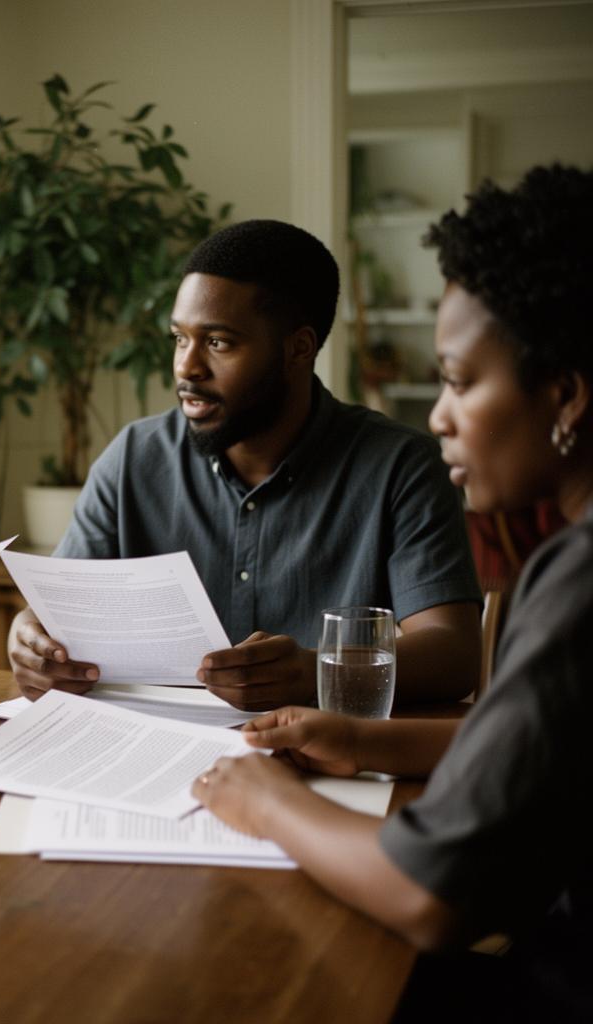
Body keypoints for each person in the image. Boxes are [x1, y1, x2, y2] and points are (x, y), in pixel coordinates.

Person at [194, 165, 593, 1021]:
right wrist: (360, 737)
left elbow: (429, 895)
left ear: (564, 396)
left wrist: (270, 802)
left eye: (459, 380)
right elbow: (535, 755)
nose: (440, 415)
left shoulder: (578, 579)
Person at [9, 219, 481, 710]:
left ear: (298, 348)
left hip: (329, 766)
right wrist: (30, 639)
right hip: (151, 757)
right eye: (179, 338)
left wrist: (312, 673)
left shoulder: (402, 467)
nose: (187, 367)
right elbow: (50, 616)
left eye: (218, 343)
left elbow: (453, 653)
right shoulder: (133, 458)